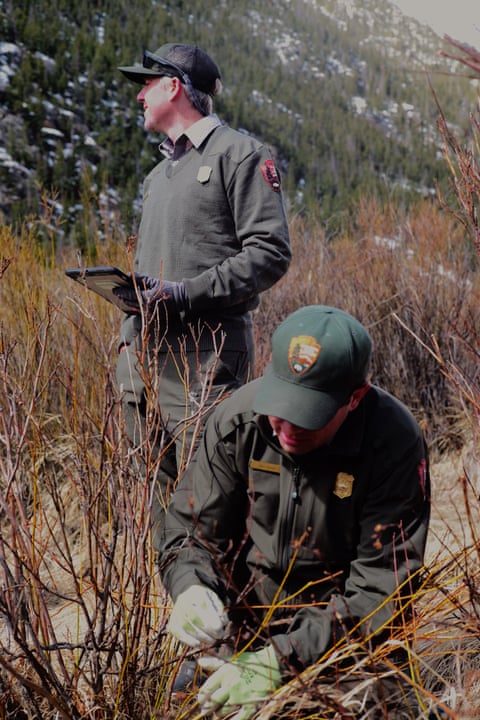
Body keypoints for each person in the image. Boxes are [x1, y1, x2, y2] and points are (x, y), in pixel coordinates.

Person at [159, 305, 431, 719]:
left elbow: (381, 593)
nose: (285, 426)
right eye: (281, 403)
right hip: (242, 629)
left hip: (343, 640)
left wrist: (282, 660)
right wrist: (190, 585)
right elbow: (191, 531)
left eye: (308, 414)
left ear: (354, 398)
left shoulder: (393, 444)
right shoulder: (238, 421)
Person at [113, 43, 291, 533]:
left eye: (145, 85)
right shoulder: (157, 175)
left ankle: (227, 605)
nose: (139, 97)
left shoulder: (242, 155)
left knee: (214, 499)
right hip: (143, 358)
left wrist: (185, 293)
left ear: (174, 86)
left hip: (204, 358)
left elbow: (270, 255)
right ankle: (173, 600)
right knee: (156, 500)